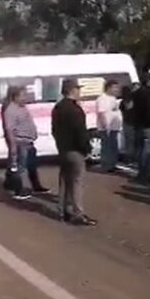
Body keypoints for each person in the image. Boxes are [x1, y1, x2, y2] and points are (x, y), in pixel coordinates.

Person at [51, 78, 96, 226]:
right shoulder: (75, 110)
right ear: (72, 90)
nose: (79, 92)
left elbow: (54, 130)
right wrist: (87, 149)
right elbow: (80, 133)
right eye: (78, 89)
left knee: (65, 181)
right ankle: (78, 213)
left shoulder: (57, 108)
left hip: (62, 149)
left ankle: (63, 211)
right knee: (77, 182)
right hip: (75, 150)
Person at [2, 85, 49, 200]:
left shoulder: (22, 107)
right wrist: (13, 146)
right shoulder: (11, 110)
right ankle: (18, 190)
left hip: (29, 142)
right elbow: (9, 129)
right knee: (20, 167)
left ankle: (36, 186)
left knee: (32, 166)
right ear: (15, 97)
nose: (25, 97)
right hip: (20, 142)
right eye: (23, 95)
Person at [95, 79, 122, 173]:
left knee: (114, 147)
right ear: (109, 88)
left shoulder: (113, 98)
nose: (117, 90)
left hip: (114, 128)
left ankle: (113, 164)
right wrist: (106, 126)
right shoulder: (102, 99)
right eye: (115, 88)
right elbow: (101, 113)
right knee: (107, 147)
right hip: (106, 128)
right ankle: (106, 165)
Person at [120, 83, 140, 167]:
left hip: (126, 122)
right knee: (135, 142)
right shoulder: (134, 100)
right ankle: (133, 159)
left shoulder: (123, 101)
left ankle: (129, 159)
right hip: (133, 123)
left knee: (129, 142)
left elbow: (122, 110)